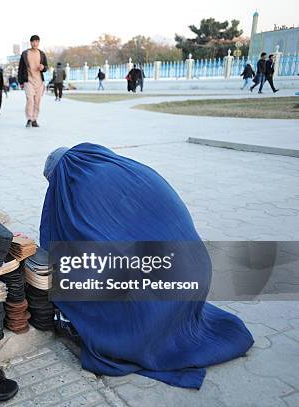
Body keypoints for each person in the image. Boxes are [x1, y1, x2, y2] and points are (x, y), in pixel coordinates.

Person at [40, 143, 254, 390]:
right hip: (195, 275)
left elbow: (59, 250)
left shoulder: (81, 193)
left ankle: (140, 333)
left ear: (62, 175)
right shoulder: (127, 170)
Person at [18, 34, 48, 128]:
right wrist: (21, 81)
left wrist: (43, 68)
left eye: (37, 41)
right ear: (30, 42)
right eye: (33, 41)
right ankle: (29, 118)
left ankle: (35, 119)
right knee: (30, 100)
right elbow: (20, 68)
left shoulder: (42, 54)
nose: (35, 43)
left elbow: (46, 67)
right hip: (28, 80)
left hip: (39, 82)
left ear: (39, 42)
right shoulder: (25, 54)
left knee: (37, 101)